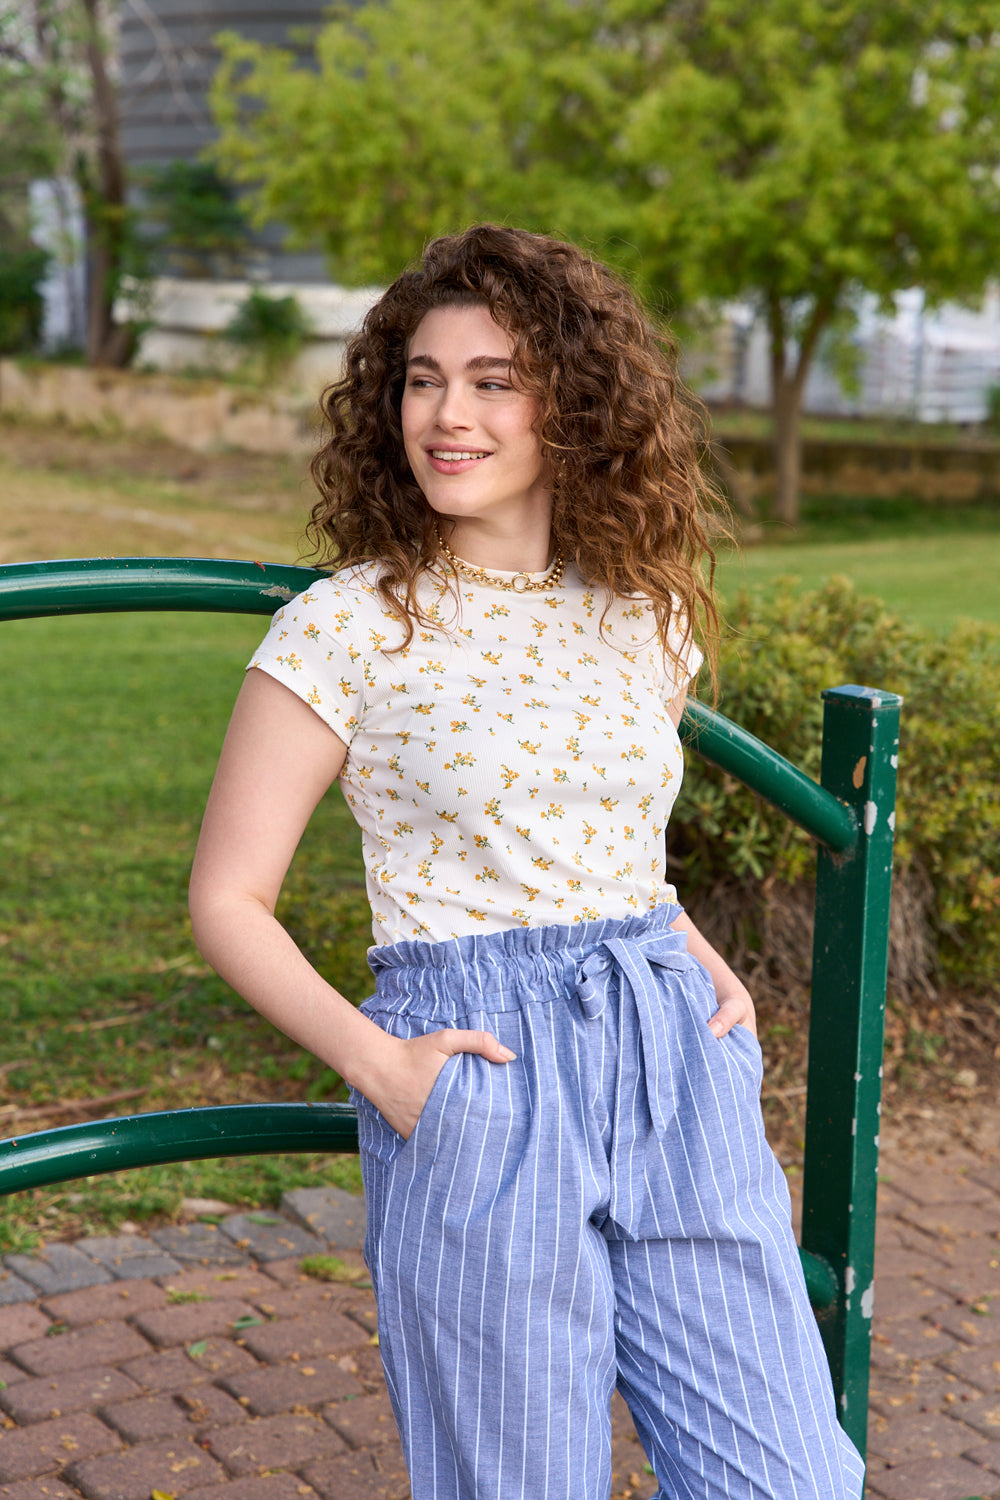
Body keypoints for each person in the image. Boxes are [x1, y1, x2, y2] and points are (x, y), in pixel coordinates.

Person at [189, 224, 864, 1499]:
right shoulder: (344, 628)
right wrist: (378, 1067)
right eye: (423, 378)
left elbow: (608, 839)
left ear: (578, 402)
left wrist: (699, 967)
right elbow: (227, 900)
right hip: (479, 1076)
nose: (448, 414)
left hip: (673, 1059)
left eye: (495, 379)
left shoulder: (643, 614)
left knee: (790, 1477)